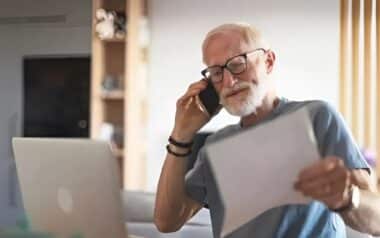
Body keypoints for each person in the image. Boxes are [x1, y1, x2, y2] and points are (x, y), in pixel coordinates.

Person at [154, 22, 380, 237]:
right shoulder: (215, 146)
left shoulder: (317, 116)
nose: (229, 81)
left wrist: (348, 197)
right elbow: (167, 222)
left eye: (237, 64)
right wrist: (182, 133)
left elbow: (376, 220)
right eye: (216, 73)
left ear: (269, 61)